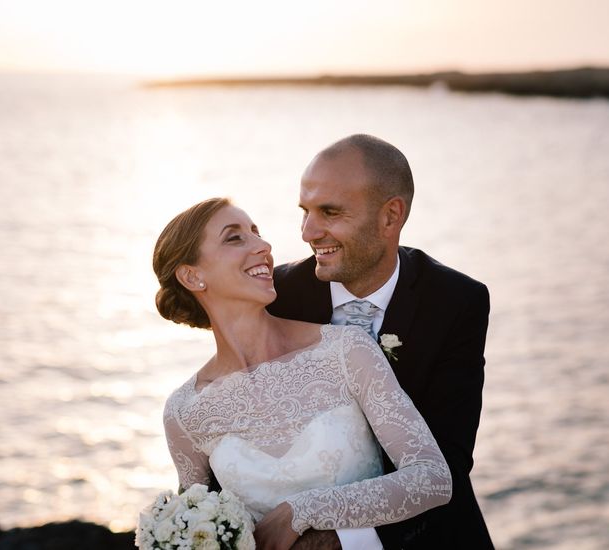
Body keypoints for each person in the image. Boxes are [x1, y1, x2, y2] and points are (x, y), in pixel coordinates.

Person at [155, 197, 453, 550]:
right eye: (234, 238)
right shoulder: (185, 411)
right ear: (192, 275)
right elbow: (198, 525)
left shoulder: (345, 350)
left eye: (257, 233)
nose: (264, 246)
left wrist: (302, 511)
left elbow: (431, 478)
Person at [266, 134, 494, 549]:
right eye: (305, 211)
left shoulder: (456, 301)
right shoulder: (277, 296)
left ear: (391, 217)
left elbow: (449, 462)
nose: (308, 232)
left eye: (329, 212)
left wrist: (343, 539)